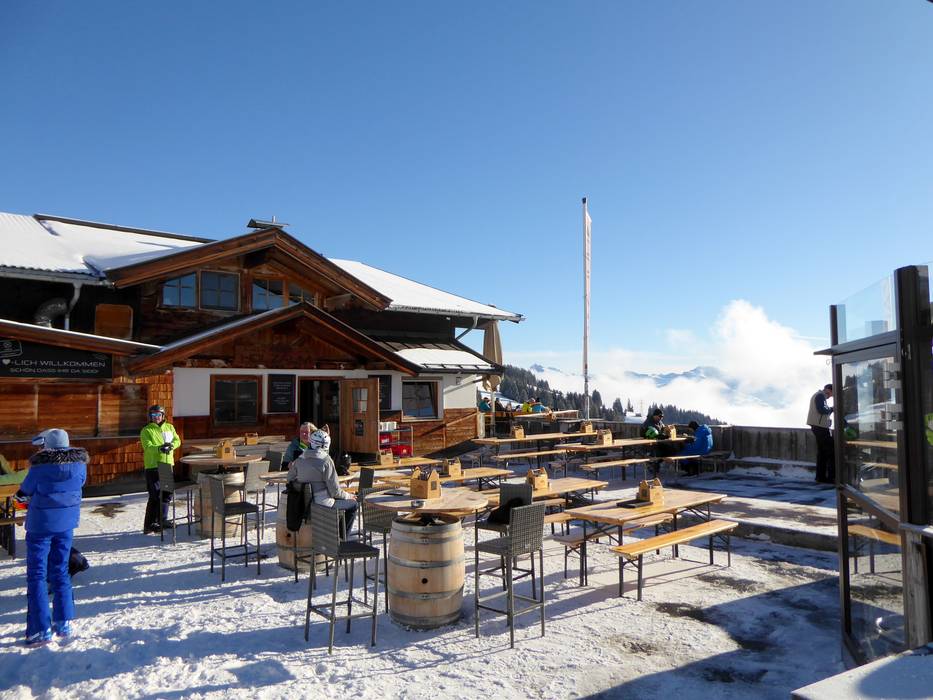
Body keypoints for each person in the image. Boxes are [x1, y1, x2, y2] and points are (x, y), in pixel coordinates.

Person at [16, 428, 87, 646]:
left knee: (37, 575)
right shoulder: (80, 466)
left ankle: (39, 630)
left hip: (40, 526)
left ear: (47, 445)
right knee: (60, 570)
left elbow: (22, 494)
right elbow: (77, 487)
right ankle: (63, 622)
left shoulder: (39, 468)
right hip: (66, 525)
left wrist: (24, 501)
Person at [287, 429, 358, 533]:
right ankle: (341, 538)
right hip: (323, 505)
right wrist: (349, 496)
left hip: (302, 506)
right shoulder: (326, 461)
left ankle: (332, 535)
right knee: (353, 504)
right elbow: (335, 492)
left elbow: (290, 480)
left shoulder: (299, 460)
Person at [139, 405, 181, 534]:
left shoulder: (169, 427)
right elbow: (147, 446)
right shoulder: (146, 430)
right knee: (155, 496)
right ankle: (150, 524)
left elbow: (177, 440)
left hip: (167, 465)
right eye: (153, 415)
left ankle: (163, 519)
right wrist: (159, 448)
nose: (156, 417)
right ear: (150, 417)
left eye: (158, 415)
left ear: (163, 416)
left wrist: (171, 445)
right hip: (153, 466)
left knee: (167, 494)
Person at [807, 384, 835, 484]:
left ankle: (820, 477)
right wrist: (832, 409)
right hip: (820, 427)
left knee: (822, 453)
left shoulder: (819, 395)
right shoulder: (820, 396)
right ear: (828, 390)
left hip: (817, 426)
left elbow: (822, 411)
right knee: (831, 451)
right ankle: (831, 477)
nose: (830, 396)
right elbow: (822, 410)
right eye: (831, 394)